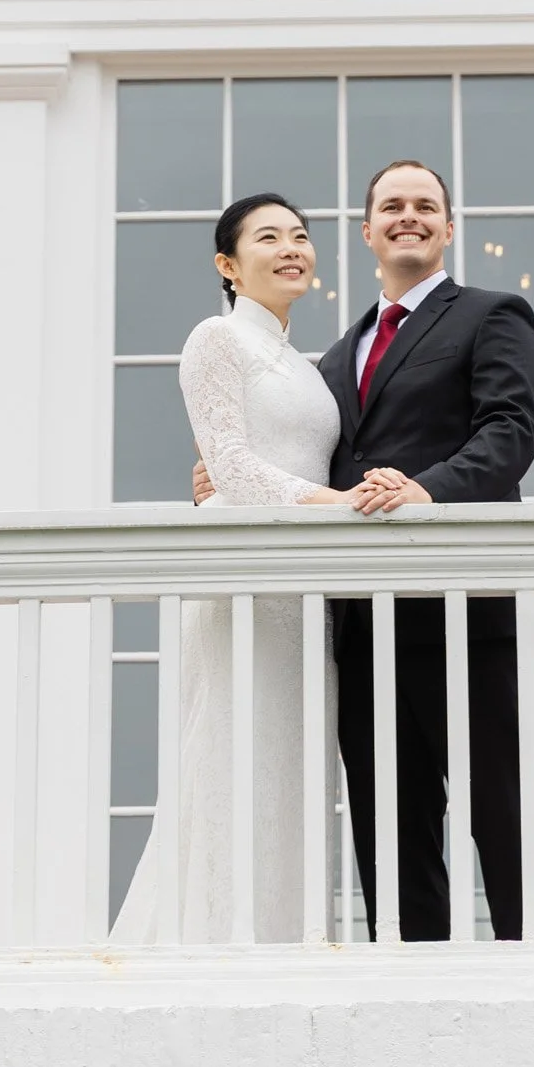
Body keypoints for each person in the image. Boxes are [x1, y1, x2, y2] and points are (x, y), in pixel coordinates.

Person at [316, 157, 534, 943]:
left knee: (505, 814)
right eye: (392, 205)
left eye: (425, 205)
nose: (409, 215)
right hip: (365, 625)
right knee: (389, 829)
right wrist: (225, 480)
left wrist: (425, 491)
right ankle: (409, 980)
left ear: (448, 227)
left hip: (470, 613)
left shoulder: (493, 314)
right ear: (367, 230)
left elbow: (509, 431)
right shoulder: (335, 357)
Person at [110, 191, 354, 944]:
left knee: (293, 767)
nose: (291, 248)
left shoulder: (310, 367)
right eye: (268, 237)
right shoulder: (216, 338)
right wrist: (339, 506)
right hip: (243, 573)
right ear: (228, 264)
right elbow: (232, 465)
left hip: (302, 589)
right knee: (230, 752)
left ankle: (286, 940)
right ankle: (210, 941)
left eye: (300, 236)